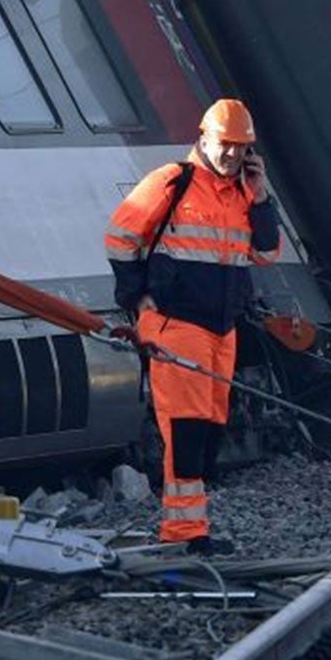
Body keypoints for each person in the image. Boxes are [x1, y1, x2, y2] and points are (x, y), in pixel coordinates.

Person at [104, 98, 278, 556]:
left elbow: (266, 253)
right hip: (177, 325)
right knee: (185, 432)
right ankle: (183, 535)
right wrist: (137, 301)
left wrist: (260, 199)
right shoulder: (171, 183)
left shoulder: (244, 193)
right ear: (204, 138)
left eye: (241, 149)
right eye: (225, 145)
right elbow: (120, 238)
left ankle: (192, 531)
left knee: (209, 431)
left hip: (222, 329)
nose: (231, 156)